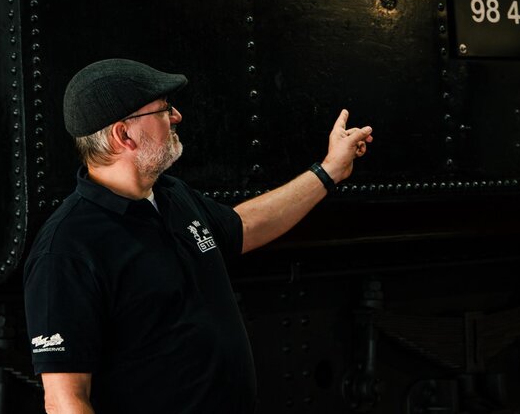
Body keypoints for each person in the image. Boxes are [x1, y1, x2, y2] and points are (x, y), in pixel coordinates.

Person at [23, 58, 374, 413]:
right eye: (163, 110)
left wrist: (329, 171)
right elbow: (65, 400)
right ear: (123, 134)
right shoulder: (66, 250)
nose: (176, 117)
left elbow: (244, 226)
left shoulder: (172, 195)